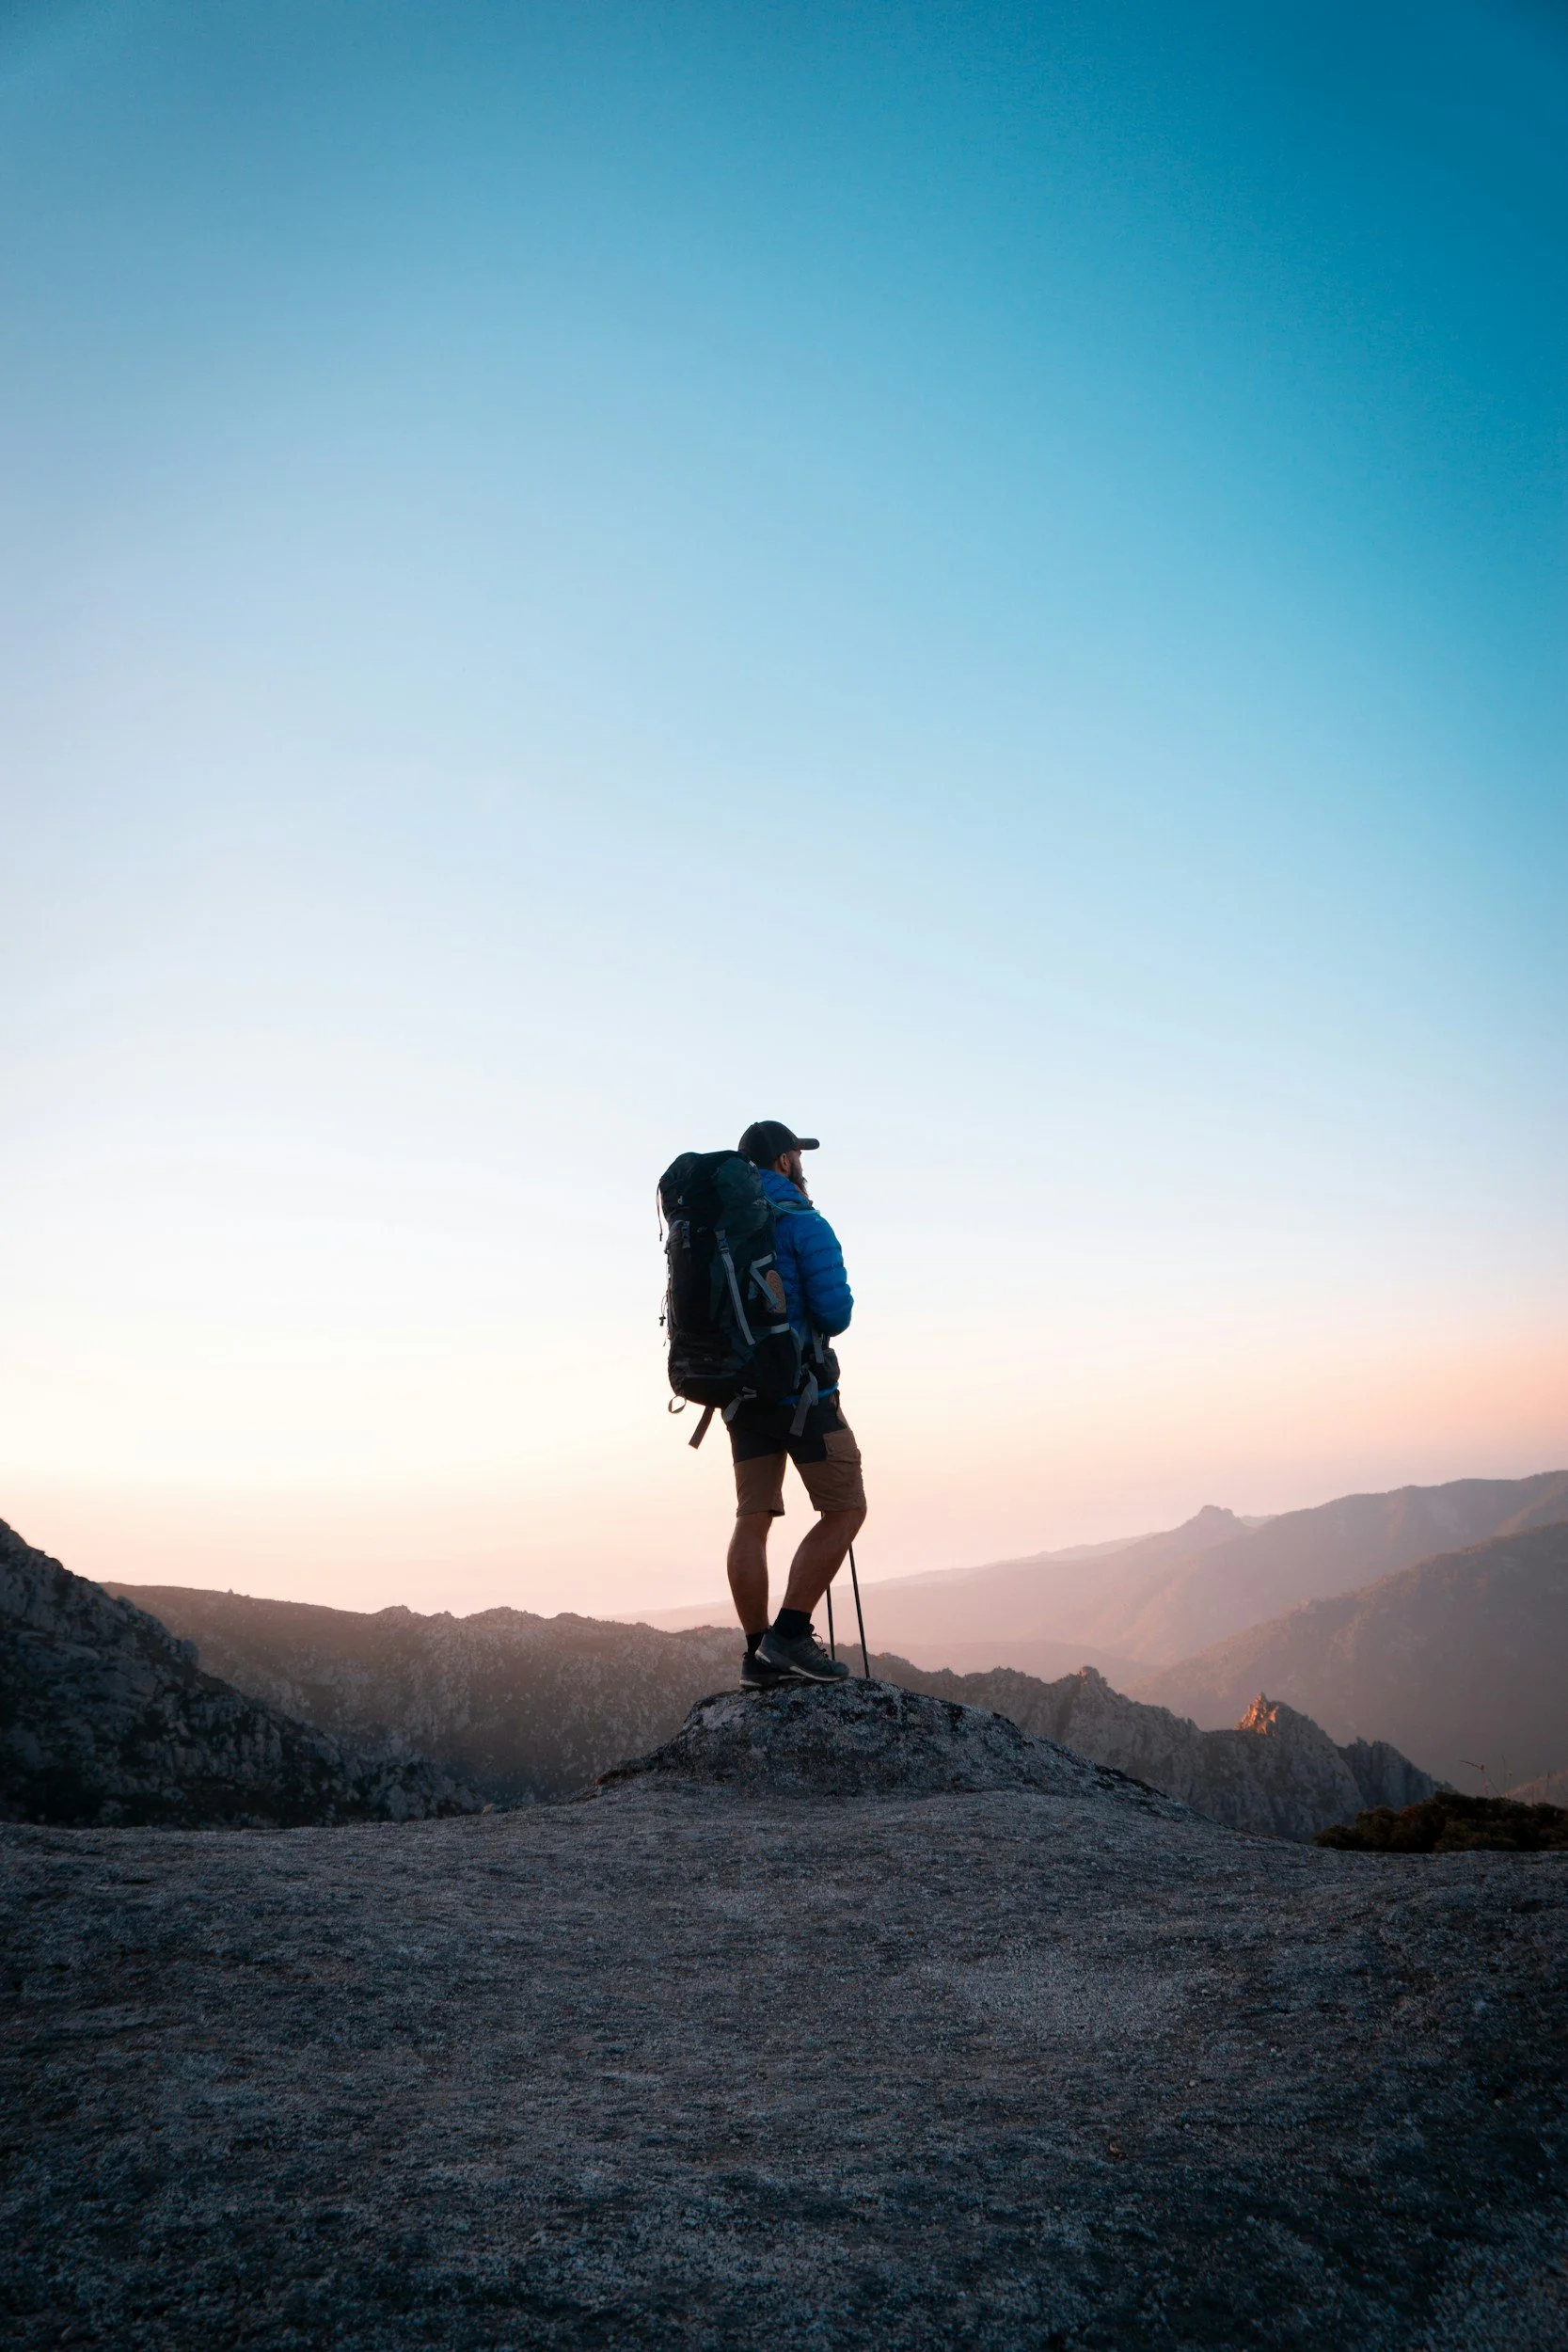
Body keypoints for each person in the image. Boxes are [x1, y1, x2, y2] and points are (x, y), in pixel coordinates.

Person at [727, 1120, 866, 1686]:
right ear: (784, 1162)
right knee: (845, 1509)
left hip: (738, 1395)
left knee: (752, 1519)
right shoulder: (805, 1222)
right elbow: (835, 1314)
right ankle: (788, 1636)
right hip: (804, 1392)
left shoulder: (721, 1227)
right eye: (796, 1155)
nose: (800, 1162)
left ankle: (757, 1653)